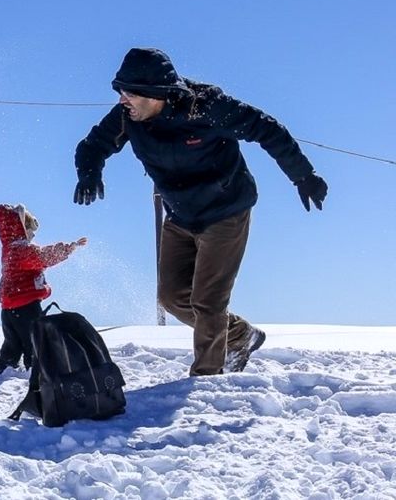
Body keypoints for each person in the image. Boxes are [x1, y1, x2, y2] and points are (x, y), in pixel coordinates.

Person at [74, 48, 328, 376]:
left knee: (208, 301)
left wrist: (303, 175)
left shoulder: (206, 108)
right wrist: (89, 171)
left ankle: (206, 379)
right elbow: (93, 145)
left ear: (156, 94)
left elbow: (267, 129)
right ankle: (239, 335)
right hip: (180, 214)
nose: (123, 100)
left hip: (226, 211)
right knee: (172, 297)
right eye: (120, 92)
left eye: (129, 93)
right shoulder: (127, 117)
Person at [0, 203, 87, 374]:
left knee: (12, 342)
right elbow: (45, 256)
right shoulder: (22, 250)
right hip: (26, 305)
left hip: (8, 308)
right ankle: (35, 370)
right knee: (34, 340)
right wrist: (69, 248)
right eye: (31, 230)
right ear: (20, 228)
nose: (33, 235)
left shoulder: (8, 248)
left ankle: (3, 368)